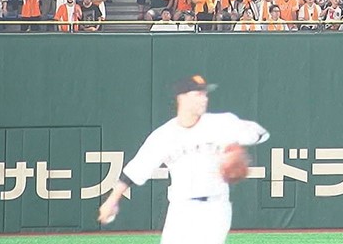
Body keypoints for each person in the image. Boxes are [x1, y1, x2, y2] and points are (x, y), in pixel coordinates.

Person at [97, 75, 269, 243]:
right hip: (180, 210)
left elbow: (260, 134)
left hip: (214, 208)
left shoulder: (222, 123)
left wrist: (237, 147)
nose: (204, 99)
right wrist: (111, 201)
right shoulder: (165, 135)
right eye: (198, 94)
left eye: (205, 94)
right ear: (182, 98)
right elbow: (135, 170)